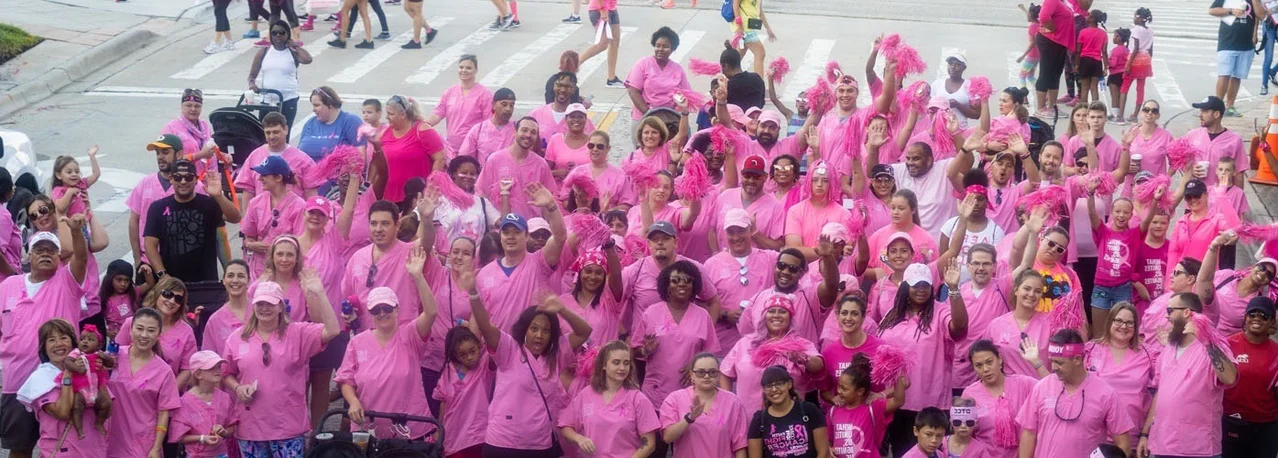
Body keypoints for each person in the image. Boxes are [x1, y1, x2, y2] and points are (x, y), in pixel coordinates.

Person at [467, 271, 592, 458]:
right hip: (503, 443)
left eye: (546, 331)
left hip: (539, 445)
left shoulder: (556, 353)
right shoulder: (509, 348)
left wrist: (561, 310)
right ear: (525, 330)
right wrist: (473, 293)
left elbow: (584, 332)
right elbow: (485, 326)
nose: (539, 335)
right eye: (534, 329)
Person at [0, 222, 92, 457]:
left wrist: (75, 231)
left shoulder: (66, 281)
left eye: (51, 250)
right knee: (19, 448)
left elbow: (81, 257)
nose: (45, 254)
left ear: (59, 256)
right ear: (28, 255)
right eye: (39, 249)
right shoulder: (9, 285)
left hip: (60, 382)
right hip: (16, 382)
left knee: (59, 446)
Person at [221, 276, 342, 456]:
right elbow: (225, 373)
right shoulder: (237, 337)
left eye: (270, 303)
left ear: (280, 306)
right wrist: (237, 388)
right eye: (260, 303)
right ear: (253, 306)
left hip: (287, 428)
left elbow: (332, 330)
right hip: (251, 428)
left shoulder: (297, 333)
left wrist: (320, 293)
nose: (264, 308)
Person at [877, 261, 970, 457]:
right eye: (915, 285)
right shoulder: (892, 315)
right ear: (905, 287)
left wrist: (953, 289)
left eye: (925, 285)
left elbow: (959, 328)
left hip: (931, 403)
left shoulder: (940, 311)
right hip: (898, 402)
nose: (921, 290)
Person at [1137, 292, 1238, 458]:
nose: (1166, 316)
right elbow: (1160, 394)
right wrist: (1145, 434)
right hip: (1162, 445)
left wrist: (1207, 342)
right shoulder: (1169, 347)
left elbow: (1230, 378)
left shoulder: (1213, 343)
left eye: (1170, 311)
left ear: (1186, 312)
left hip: (1198, 448)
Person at [337, 280, 439, 439]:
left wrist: (417, 276)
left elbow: (431, 312)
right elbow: (346, 380)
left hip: (409, 428)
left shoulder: (411, 335)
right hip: (368, 427)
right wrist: (353, 401)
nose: (382, 313)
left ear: (397, 309)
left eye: (387, 308)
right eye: (376, 309)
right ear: (370, 313)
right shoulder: (357, 343)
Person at [1017, 329, 1134, 456]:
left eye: (1060, 363)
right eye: (1052, 361)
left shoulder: (1106, 394)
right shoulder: (1041, 388)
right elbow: (1029, 433)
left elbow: (1124, 445)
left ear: (1077, 359)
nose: (1054, 368)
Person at [473, 188, 568, 331]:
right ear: (500, 236)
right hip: (494, 349)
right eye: (506, 232)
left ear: (527, 236)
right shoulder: (484, 273)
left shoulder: (539, 262)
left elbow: (560, 238)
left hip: (528, 348)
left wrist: (551, 206)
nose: (511, 237)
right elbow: (478, 316)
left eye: (517, 232)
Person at [632, 261, 720, 412]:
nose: (682, 284)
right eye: (675, 280)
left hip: (691, 393)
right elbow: (633, 351)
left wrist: (696, 363)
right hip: (656, 393)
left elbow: (711, 351)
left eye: (687, 280)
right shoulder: (651, 313)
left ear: (694, 285)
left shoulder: (702, 315)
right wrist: (645, 350)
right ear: (667, 285)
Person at [16, 319, 108, 457]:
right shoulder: (41, 378)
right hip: (63, 452)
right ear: (44, 348)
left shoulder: (90, 369)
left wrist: (98, 371)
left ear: (73, 343)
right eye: (51, 340)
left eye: (64, 338)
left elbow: (106, 405)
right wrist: (68, 372)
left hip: (94, 450)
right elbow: (62, 412)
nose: (59, 344)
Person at [721, 296, 824, 416]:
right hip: (748, 417)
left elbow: (819, 366)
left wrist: (803, 359)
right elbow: (725, 373)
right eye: (771, 311)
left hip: (789, 420)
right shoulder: (745, 343)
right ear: (764, 317)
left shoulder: (801, 344)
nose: (776, 315)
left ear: (790, 318)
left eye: (782, 311)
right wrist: (728, 404)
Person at [144, 159, 242, 283]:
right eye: (178, 177)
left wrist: (219, 196)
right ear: (171, 179)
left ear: (196, 179)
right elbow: (150, 244)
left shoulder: (209, 204)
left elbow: (235, 218)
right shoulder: (157, 207)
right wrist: (162, 275)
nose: (183, 182)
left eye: (188, 177)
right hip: (172, 284)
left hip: (206, 282)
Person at [559, 340, 661, 458]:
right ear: (604, 365)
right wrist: (579, 438)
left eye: (626, 363)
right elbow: (565, 426)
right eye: (616, 362)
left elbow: (649, 443)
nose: (622, 368)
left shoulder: (638, 399)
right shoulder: (586, 394)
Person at [107, 307, 182, 458]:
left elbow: (164, 412)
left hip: (142, 444)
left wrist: (156, 447)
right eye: (139, 328)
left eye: (151, 330)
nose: (144, 335)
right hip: (109, 439)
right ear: (130, 329)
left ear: (158, 335)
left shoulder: (164, 371)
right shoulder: (113, 357)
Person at [1082, 302, 1153, 455]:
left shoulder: (1149, 354)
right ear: (1110, 321)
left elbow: (1163, 390)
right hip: (1095, 436)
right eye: (1118, 321)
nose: (1124, 326)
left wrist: (1146, 434)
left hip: (1132, 437)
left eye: (1129, 322)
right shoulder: (1090, 349)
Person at [114, 277, 198, 390]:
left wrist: (169, 391)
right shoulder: (132, 322)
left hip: (168, 391)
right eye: (168, 294)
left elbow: (187, 368)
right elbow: (114, 354)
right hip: (127, 390)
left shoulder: (186, 331)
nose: (172, 301)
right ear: (157, 293)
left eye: (178, 299)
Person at [660, 352, 750, 458]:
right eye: (701, 372)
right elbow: (668, 437)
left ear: (719, 375)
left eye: (712, 372)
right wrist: (689, 418)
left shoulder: (733, 402)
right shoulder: (674, 399)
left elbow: (740, 445)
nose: (707, 376)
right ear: (692, 374)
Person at [961, 340, 1037, 458]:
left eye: (989, 362)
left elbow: (1052, 388)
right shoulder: (969, 394)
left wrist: (1037, 362)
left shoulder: (1024, 384)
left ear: (1000, 359)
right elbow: (964, 435)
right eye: (979, 365)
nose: (985, 369)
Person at [1223, 297, 1278, 458]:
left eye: (1264, 315)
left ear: (1272, 322)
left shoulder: (1276, 352)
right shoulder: (1228, 344)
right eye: (1252, 314)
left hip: (1267, 426)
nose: (1257, 318)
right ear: (1245, 318)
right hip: (1231, 422)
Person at [474, 118, 559, 219]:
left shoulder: (541, 164)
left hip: (531, 228)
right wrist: (494, 221)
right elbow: (482, 194)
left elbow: (549, 199)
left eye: (533, 132)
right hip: (502, 228)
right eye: (524, 130)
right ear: (515, 132)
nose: (528, 135)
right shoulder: (495, 160)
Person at [825, 352, 905, 457]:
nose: (839, 391)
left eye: (844, 388)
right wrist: (829, 448)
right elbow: (827, 440)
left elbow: (898, 401)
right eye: (839, 386)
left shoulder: (872, 407)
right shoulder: (833, 411)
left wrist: (898, 376)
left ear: (860, 391)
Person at [370, 95, 447, 202]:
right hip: (390, 198)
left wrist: (431, 187)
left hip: (417, 198)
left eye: (391, 114)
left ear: (403, 115)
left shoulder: (422, 130)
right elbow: (376, 163)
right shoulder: (384, 134)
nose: (386, 117)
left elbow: (440, 158)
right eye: (387, 113)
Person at [433, 326, 493, 458]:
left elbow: (493, 340)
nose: (470, 357)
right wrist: (439, 428)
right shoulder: (448, 371)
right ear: (455, 355)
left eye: (473, 351)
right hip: (453, 433)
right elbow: (443, 402)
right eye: (463, 355)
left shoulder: (485, 364)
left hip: (478, 434)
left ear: (479, 346)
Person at [240, 156, 306, 277]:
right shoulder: (255, 203)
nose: (260, 179)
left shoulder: (299, 206)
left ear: (278, 178)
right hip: (259, 270)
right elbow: (248, 237)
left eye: (264, 175)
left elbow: (301, 244)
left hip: (286, 270)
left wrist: (274, 249)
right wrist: (251, 244)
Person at [746, 365, 830, 458]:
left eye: (779, 384)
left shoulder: (808, 410)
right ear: (764, 390)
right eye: (769, 386)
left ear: (789, 384)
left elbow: (824, 452)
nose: (774, 389)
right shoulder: (759, 420)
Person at [233, 112, 316, 205]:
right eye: (268, 132)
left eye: (276, 132)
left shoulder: (303, 160)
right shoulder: (254, 156)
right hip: (262, 216)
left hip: (293, 216)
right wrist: (246, 218)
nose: (271, 136)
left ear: (286, 130)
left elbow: (311, 196)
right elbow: (248, 192)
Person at [169, 351, 236, 458]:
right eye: (212, 368)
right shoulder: (184, 402)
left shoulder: (224, 398)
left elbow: (232, 426)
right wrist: (201, 438)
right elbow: (179, 436)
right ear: (198, 374)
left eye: (219, 367)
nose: (218, 370)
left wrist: (224, 432)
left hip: (222, 454)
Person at [247, 20, 312, 128]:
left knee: (284, 133)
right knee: (264, 133)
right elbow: (251, 76)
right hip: (267, 101)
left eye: (282, 33)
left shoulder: (293, 53)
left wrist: (295, 46)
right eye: (274, 33)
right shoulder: (263, 52)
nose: (278, 35)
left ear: (287, 35)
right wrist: (252, 84)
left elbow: (307, 60)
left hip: (288, 100)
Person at [423, 55, 493, 154]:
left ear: (476, 70)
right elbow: (437, 115)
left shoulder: (484, 94)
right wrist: (419, 125)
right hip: (451, 147)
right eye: (461, 67)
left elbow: (489, 123)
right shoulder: (450, 92)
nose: (464, 70)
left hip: (473, 147)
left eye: (468, 68)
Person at [626, 27, 692, 124]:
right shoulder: (642, 64)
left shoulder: (678, 69)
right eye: (657, 46)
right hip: (644, 118)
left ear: (672, 49)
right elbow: (633, 91)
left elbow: (686, 94)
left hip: (670, 119)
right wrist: (650, 114)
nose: (660, 49)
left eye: (665, 46)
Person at [1209, 0, 1260, 117]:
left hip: (1246, 44)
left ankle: (1230, 106)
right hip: (1227, 42)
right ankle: (1217, 106)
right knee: (1224, 75)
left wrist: (1255, 34)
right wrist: (1231, 11)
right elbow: (1212, 10)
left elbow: (1259, 16)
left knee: (1237, 77)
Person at [1183, 96, 1248, 187]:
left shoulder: (1235, 140)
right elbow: (1182, 163)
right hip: (1196, 196)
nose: (1200, 115)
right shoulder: (1191, 135)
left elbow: (1238, 173)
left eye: (1205, 111)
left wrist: (1237, 199)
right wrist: (1191, 170)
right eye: (1201, 111)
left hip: (1220, 197)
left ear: (1216, 114)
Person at [567, 131, 636, 211]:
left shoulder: (619, 176)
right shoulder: (577, 172)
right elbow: (564, 199)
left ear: (608, 149)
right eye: (591, 146)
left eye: (600, 146)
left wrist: (607, 211)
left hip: (607, 221)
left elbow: (627, 205)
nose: (595, 149)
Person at [297, 86, 365, 162]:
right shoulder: (310, 123)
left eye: (317, 105)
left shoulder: (350, 121)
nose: (313, 109)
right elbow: (298, 154)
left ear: (330, 104)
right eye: (313, 105)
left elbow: (361, 156)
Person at [1033, 0, 1077, 116]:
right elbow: (1043, 16)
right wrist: (1052, 28)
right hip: (1050, 41)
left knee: (1055, 74)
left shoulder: (1063, 2)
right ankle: (1041, 107)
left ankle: (1052, 106)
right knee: (1046, 73)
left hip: (1060, 42)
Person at [201, 260, 251, 356]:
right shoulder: (214, 321)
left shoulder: (260, 312)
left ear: (248, 280)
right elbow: (208, 358)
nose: (235, 280)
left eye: (241, 276)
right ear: (223, 281)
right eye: (230, 276)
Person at [458, 88, 517, 162]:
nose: (508, 109)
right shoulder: (478, 130)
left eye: (511, 105)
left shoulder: (518, 129)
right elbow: (464, 159)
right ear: (493, 105)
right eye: (504, 104)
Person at [577, 0, 623, 88]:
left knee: (614, 41)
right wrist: (602, 9)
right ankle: (573, 65)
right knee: (602, 44)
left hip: (611, 7)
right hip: (600, 9)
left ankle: (611, 78)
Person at [162, 89, 217, 161]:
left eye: (197, 106)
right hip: (184, 171)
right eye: (188, 105)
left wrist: (222, 155)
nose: (193, 109)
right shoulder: (170, 128)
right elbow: (167, 160)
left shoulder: (204, 125)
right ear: (181, 106)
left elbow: (211, 149)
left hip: (209, 171)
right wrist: (199, 155)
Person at [931, 51, 980, 127]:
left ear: (964, 68)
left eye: (957, 64)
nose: (952, 67)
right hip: (939, 130)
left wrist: (958, 105)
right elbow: (929, 110)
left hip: (961, 131)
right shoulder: (937, 84)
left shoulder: (970, 86)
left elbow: (977, 115)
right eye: (950, 63)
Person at [546, 104, 592, 181]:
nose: (576, 120)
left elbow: (600, 169)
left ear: (586, 120)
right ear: (566, 119)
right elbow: (545, 171)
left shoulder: (592, 142)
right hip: (559, 190)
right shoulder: (556, 139)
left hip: (586, 190)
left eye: (580, 117)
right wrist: (555, 173)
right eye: (572, 117)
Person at [1127, 100, 1173, 175]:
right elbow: (1121, 157)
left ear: (1158, 115)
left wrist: (1164, 180)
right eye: (1146, 110)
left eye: (1154, 111)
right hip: (1132, 184)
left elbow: (1175, 162)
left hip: (1155, 185)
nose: (1150, 113)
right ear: (1141, 113)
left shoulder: (1166, 136)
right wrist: (1126, 167)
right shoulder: (1132, 132)